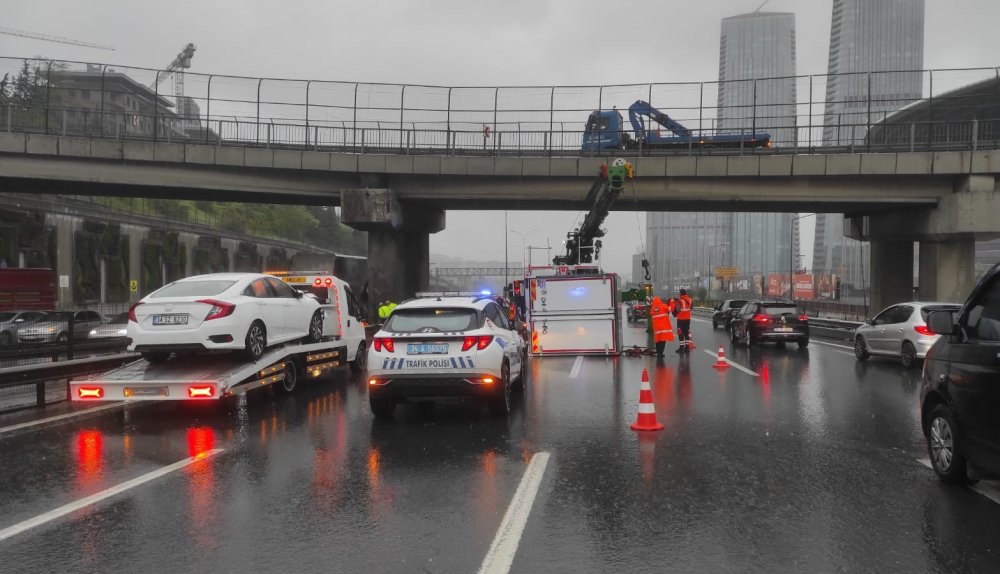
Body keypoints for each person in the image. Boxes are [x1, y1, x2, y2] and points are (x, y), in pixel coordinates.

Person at [669, 288, 693, 353]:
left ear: (680, 293)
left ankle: (681, 348)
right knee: (686, 333)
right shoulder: (690, 300)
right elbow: (691, 308)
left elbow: (675, 310)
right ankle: (687, 348)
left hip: (680, 320)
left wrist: (672, 301)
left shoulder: (679, 301)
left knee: (680, 333)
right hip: (687, 319)